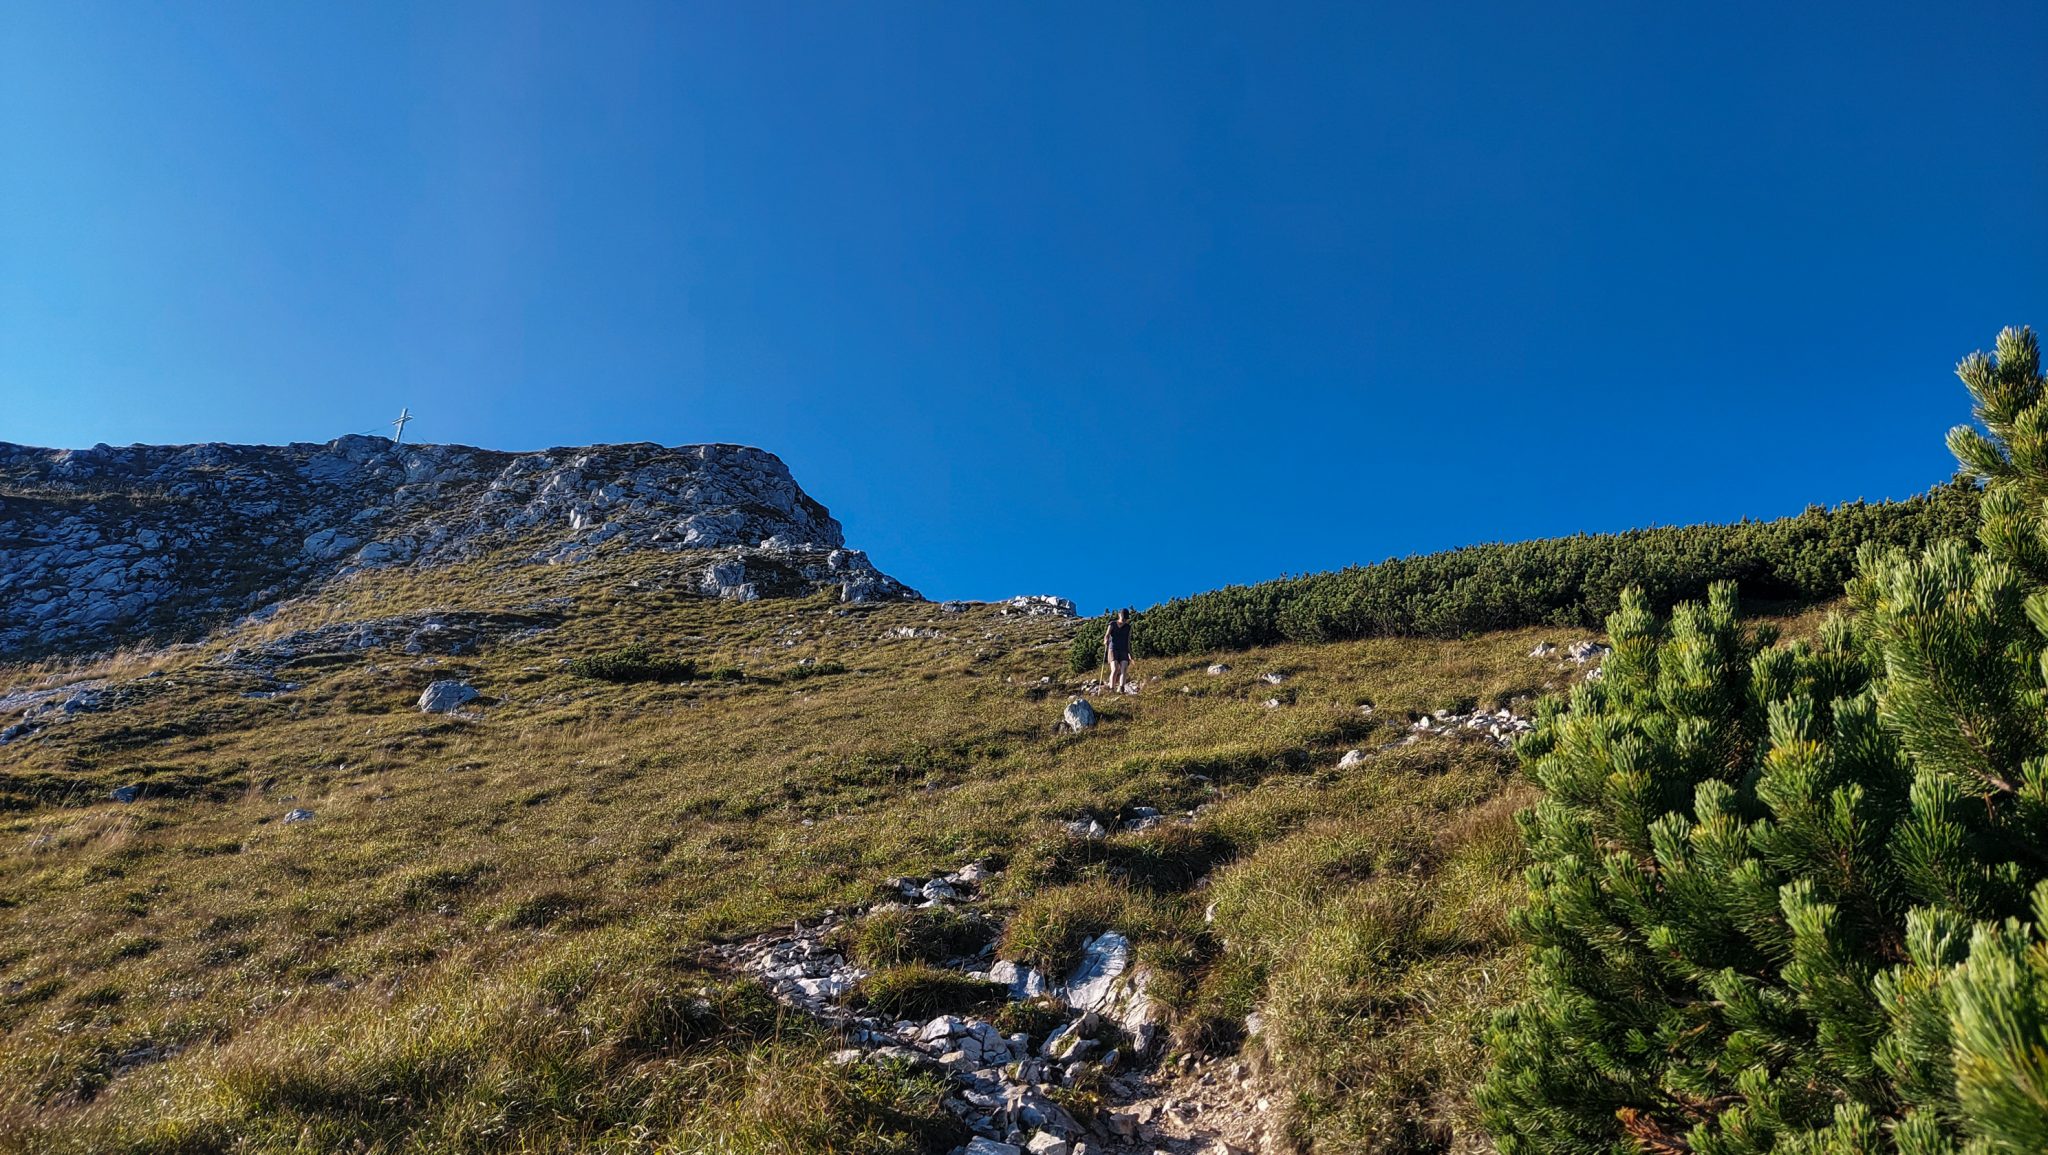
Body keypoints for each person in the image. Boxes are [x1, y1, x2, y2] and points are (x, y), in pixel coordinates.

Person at [1104, 608, 1134, 693]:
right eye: (1123, 617)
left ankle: (1121, 688)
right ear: (1119, 615)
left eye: (1126, 618)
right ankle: (1112, 689)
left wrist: (1129, 652)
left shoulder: (1128, 627)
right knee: (1115, 668)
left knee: (1124, 669)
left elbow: (1128, 640)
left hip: (1124, 649)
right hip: (1113, 648)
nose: (1124, 620)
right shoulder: (1112, 624)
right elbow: (1107, 635)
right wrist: (1106, 640)